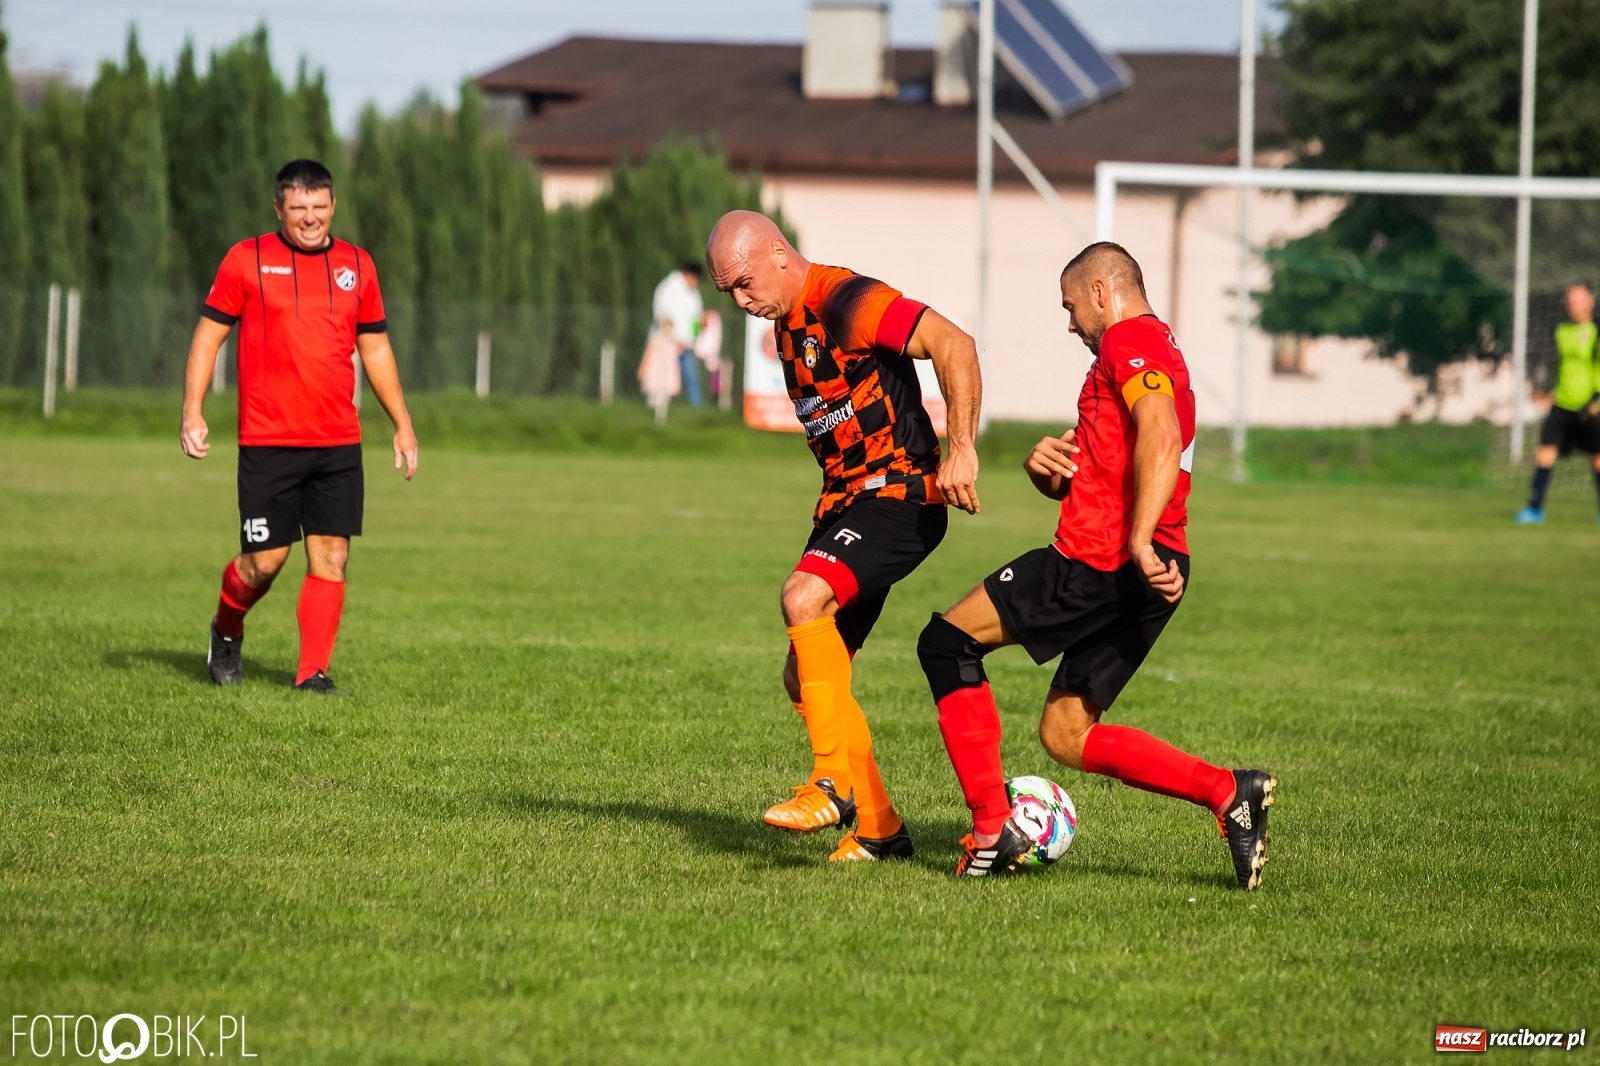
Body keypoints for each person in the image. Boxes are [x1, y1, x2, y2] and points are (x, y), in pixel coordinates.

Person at [914, 242, 1277, 888]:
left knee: (946, 643)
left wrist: (1136, 542)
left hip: (1100, 561)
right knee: (1066, 731)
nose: (1071, 323)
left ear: (1104, 294)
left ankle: (993, 829)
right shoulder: (1155, 350)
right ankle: (1229, 792)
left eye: (1072, 306)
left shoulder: (1126, 342)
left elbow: (1161, 434)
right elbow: (1114, 461)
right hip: (1159, 565)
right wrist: (1046, 473)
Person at [706, 209, 982, 862]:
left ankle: (832, 784)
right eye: (729, 293)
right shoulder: (784, 327)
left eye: (744, 283)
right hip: (846, 506)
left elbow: (955, 343)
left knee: (803, 597)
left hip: (900, 495)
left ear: (778, 252)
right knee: (804, 679)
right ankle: (881, 829)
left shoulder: (846, 301)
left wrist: (962, 448)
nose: (742, 301)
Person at [180, 159, 419, 694]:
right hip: (269, 442)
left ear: (333, 205)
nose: (310, 218)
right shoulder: (247, 260)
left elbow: (375, 347)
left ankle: (312, 672)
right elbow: (207, 337)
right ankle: (226, 627)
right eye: (298, 208)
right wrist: (192, 410)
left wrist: (402, 423)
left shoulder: (358, 265)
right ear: (278, 208)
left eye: (319, 207)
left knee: (332, 556)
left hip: (337, 441)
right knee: (264, 563)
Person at [1517, 283, 1600, 524]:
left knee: (1597, 457)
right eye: (1570, 301)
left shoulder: (1596, 332)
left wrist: (1596, 399)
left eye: (1579, 301)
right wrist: (1545, 392)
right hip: (1562, 403)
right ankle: (1534, 509)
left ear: (1590, 303)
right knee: (1545, 452)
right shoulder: (1560, 331)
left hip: (1590, 404)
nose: (1574, 306)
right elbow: (1554, 365)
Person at [652, 262, 706, 407]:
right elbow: (662, 316)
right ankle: (658, 408)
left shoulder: (694, 294)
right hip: (668, 342)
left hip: (686, 345)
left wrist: (692, 339)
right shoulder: (668, 288)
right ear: (689, 275)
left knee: (691, 377)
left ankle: (696, 410)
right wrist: (674, 339)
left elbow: (696, 318)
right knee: (662, 375)